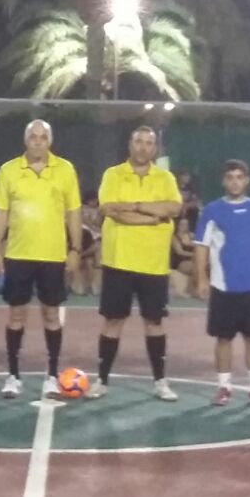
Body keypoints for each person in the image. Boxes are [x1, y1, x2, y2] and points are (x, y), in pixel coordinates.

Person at [0, 119, 82, 400]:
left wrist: (75, 249)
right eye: (33, 137)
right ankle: (13, 376)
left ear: (49, 141)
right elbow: (1, 214)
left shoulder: (65, 169)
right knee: (16, 315)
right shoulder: (8, 170)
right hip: (18, 254)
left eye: (43, 137)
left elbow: (74, 212)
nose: (38, 142)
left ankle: (52, 375)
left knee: (51, 315)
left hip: (53, 256)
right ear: (25, 140)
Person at [91, 126, 184, 402]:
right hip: (119, 260)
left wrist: (133, 205)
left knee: (154, 322)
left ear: (154, 148)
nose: (143, 147)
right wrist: (153, 216)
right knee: (113, 321)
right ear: (130, 145)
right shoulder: (113, 174)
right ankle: (102, 380)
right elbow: (110, 210)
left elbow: (174, 208)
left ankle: (160, 381)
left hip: (153, 264)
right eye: (139, 142)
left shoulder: (165, 177)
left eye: (148, 143)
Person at [193, 160, 250, 408]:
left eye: (239, 177)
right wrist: (201, 278)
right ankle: (224, 388)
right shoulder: (212, 210)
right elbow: (201, 246)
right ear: (223, 181)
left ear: (247, 180)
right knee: (223, 339)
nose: (235, 182)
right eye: (230, 177)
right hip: (222, 288)